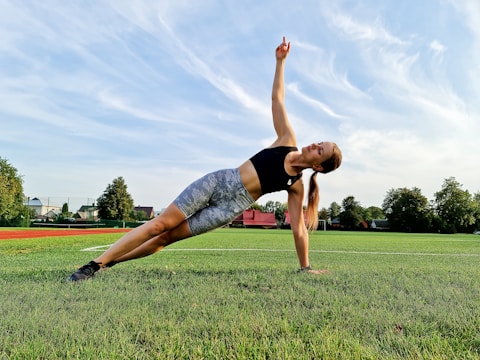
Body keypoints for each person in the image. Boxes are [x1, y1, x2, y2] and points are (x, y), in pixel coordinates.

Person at [68, 36, 342, 282]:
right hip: (220, 181)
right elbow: (277, 100)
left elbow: (298, 230)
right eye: (320, 142)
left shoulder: (295, 185)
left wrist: (305, 268)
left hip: (230, 208)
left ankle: (108, 262)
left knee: (167, 238)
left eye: (321, 150)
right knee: (161, 223)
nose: (316, 144)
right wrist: (280, 62)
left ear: (318, 165)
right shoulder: (286, 139)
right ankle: (93, 265)